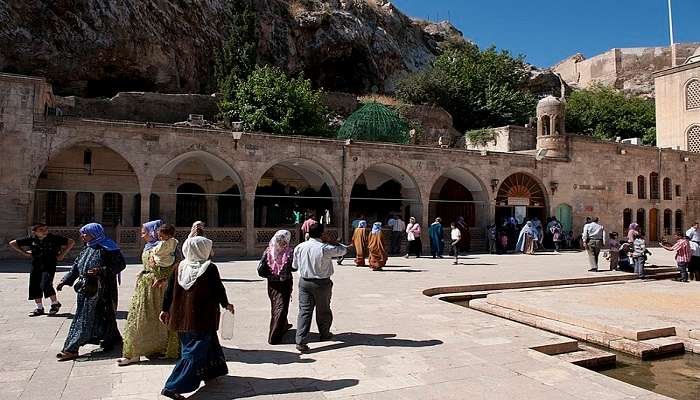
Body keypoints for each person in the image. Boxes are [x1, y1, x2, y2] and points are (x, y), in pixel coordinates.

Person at [160, 236, 234, 400]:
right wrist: (226, 304)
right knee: (192, 353)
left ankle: (212, 372)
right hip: (202, 318)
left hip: (180, 318)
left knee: (206, 344)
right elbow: (218, 289)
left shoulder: (179, 266)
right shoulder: (209, 268)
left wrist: (165, 310)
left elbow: (168, 292)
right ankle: (173, 386)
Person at [55, 223, 125, 361]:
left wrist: (100, 271)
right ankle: (112, 340)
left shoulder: (108, 247)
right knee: (103, 315)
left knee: (85, 317)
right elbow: (76, 265)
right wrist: (65, 280)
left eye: (85, 234)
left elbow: (120, 265)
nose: (82, 236)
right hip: (85, 288)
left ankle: (71, 348)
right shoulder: (87, 247)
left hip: (101, 288)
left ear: (95, 234)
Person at [118, 221, 179, 366]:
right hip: (146, 288)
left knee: (161, 319)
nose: (142, 235)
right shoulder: (150, 246)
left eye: (144, 232)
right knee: (139, 317)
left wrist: (164, 278)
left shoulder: (168, 246)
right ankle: (134, 352)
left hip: (160, 288)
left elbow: (177, 264)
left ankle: (162, 348)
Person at [293, 223, 347, 352]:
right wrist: (332, 240)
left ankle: (300, 340)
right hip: (322, 283)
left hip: (304, 282)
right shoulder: (325, 248)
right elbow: (343, 250)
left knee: (304, 311)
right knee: (323, 310)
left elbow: (294, 266)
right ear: (322, 234)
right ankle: (324, 333)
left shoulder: (300, 247)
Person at [9, 223, 75, 316]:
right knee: (34, 284)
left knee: (46, 284)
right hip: (36, 265)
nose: (44, 231)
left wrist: (62, 254)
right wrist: (24, 253)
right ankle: (39, 307)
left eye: (46, 229)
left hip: (49, 265)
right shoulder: (32, 239)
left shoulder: (53, 238)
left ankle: (55, 303)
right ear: (35, 232)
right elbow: (13, 243)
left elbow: (71, 242)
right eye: (41, 230)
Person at [257, 230, 296, 344]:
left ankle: (283, 325)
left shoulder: (268, 251)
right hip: (284, 284)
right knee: (280, 308)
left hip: (272, 285)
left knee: (277, 306)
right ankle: (274, 336)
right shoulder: (289, 252)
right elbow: (294, 267)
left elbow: (261, 269)